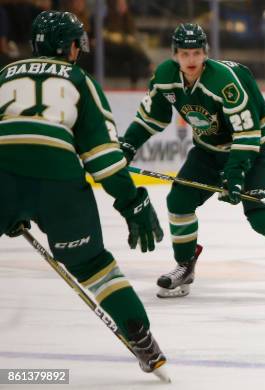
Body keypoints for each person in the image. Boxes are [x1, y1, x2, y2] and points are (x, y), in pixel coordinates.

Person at [0, 11, 166, 374]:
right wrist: (131, 201)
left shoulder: (2, 75)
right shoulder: (80, 80)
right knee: (93, 265)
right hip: (59, 179)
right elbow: (103, 158)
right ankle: (139, 334)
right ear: (70, 46)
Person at [120, 23, 265, 299]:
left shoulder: (225, 81)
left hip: (252, 151)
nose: (190, 60)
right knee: (179, 201)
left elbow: (248, 133)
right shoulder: (165, 77)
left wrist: (236, 173)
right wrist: (128, 145)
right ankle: (185, 266)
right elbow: (150, 118)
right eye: (184, 54)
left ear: (205, 53)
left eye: (196, 53)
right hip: (208, 152)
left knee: (262, 219)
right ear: (175, 55)